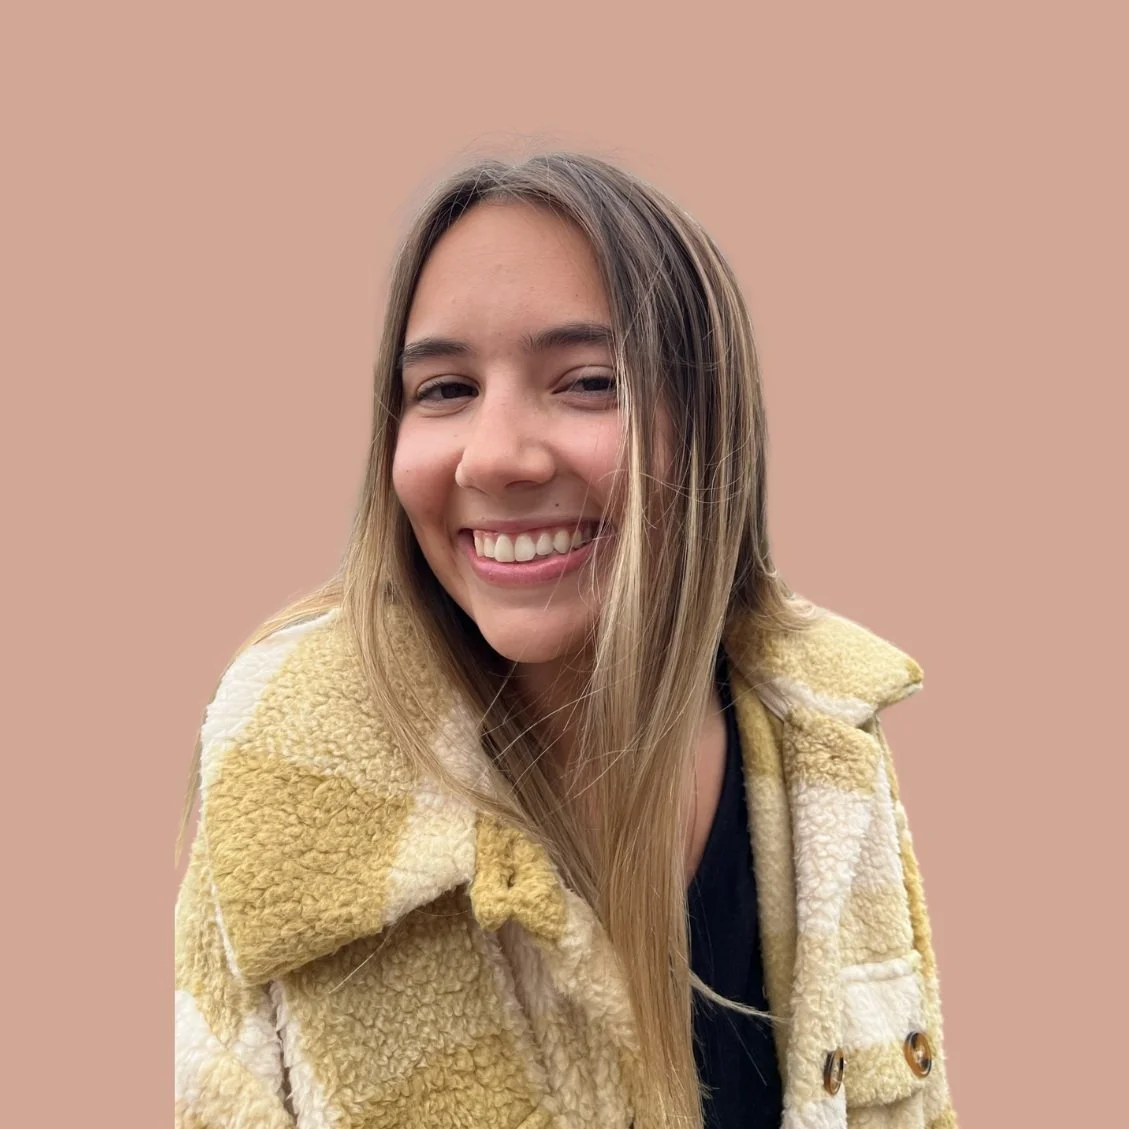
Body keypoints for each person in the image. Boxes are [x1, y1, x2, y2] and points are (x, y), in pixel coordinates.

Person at [174, 151, 957, 1129]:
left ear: (713, 428)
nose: (495, 455)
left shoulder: (827, 740)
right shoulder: (284, 766)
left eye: (587, 382)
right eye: (445, 389)